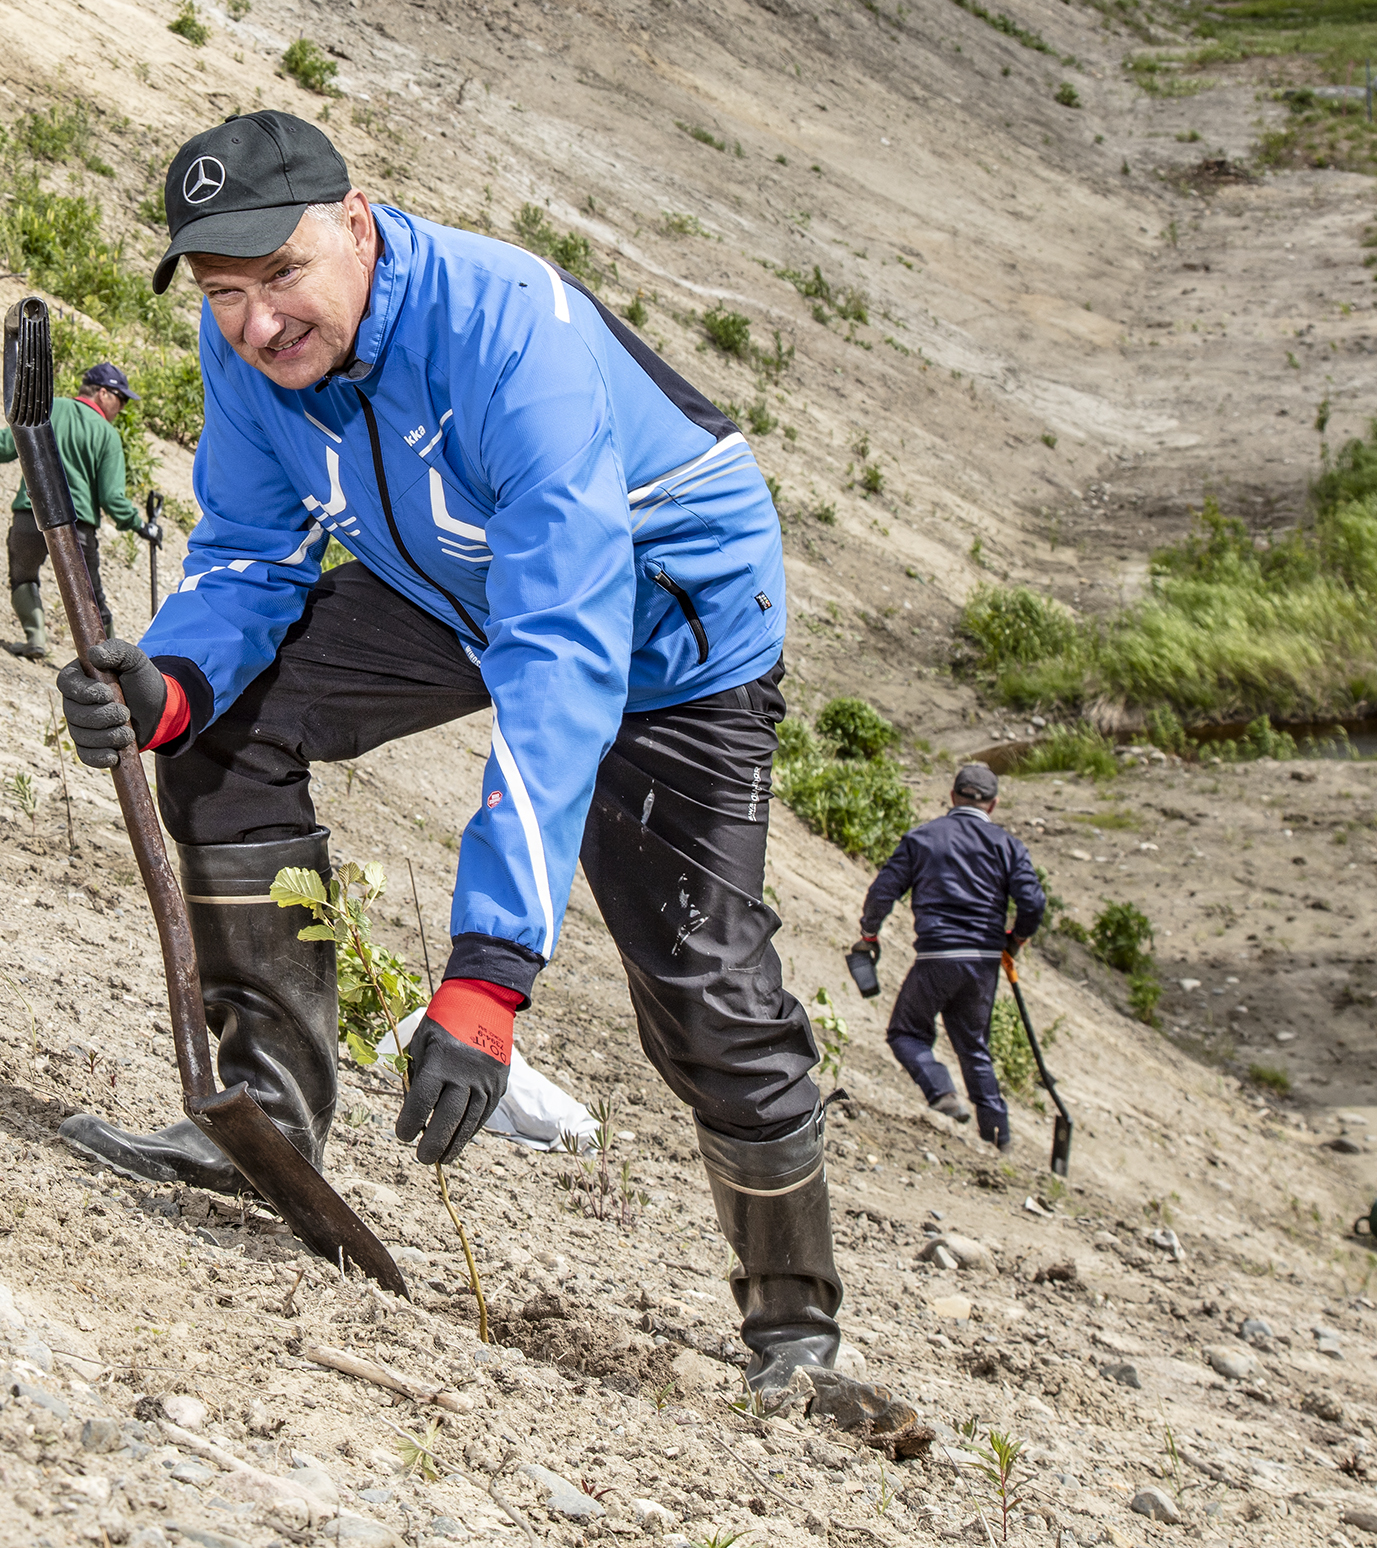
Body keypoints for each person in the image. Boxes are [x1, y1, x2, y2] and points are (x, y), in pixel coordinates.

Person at [50, 110, 841, 1391]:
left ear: (356, 221)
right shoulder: (249, 346)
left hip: (658, 619)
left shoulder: (504, 331)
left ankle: (796, 1337)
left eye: (282, 277)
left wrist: (486, 978)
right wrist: (171, 687)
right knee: (229, 732)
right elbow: (250, 555)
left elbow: (562, 656)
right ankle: (270, 1126)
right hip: (459, 581)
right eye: (224, 291)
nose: (256, 325)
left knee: (702, 979)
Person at [855, 761, 1048, 1153]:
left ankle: (942, 1092)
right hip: (984, 961)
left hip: (936, 955)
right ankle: (997, 1137)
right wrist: (1015, 940)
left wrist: (869, 933)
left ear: (951, 797)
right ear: (992, 804)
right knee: (974, 1045)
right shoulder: (1008, 845)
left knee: (905, 1032)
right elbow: (1033, 903)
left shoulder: (923, 838)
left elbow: (882, 891)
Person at [0, 363, 135, 659]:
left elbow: (3, 445)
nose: (123, 406)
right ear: (103, 393)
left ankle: (34, 639)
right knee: (90, 596)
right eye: (121, 398)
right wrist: (139, 524)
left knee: (23, 575)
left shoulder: (46, 410)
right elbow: (112, 498)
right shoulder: (107, 435)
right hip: (78, 528)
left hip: (31, 513)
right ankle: (110, 664)